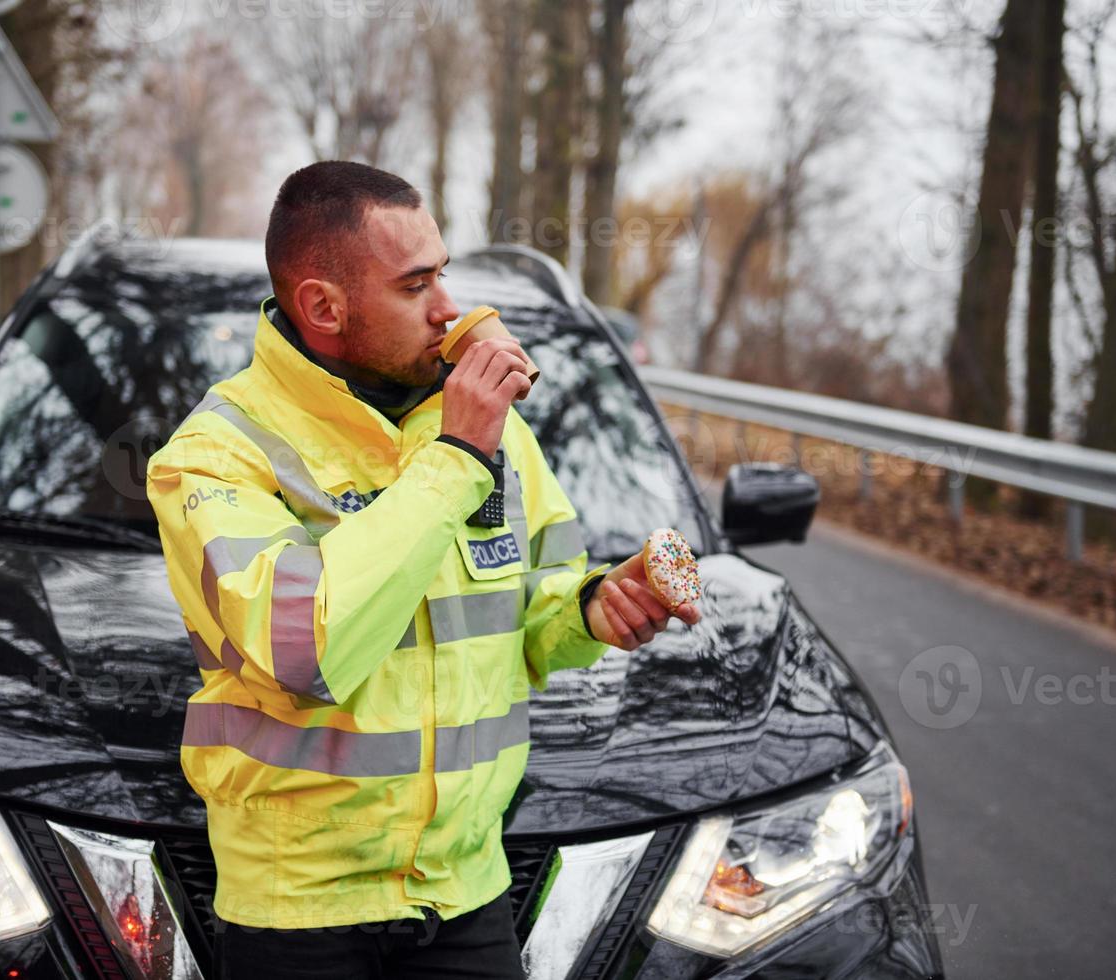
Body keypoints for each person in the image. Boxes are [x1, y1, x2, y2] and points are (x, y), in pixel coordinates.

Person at [146, 161, 701, 979]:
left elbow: (534, 614)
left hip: (466, 894)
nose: (450, 309)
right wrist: (454, 459)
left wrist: (590, 610)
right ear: (324, 308)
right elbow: (303, 654)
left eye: (443, 274)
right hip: (300, 913)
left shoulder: (492, 433)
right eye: (415, 286)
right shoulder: (214, 456)